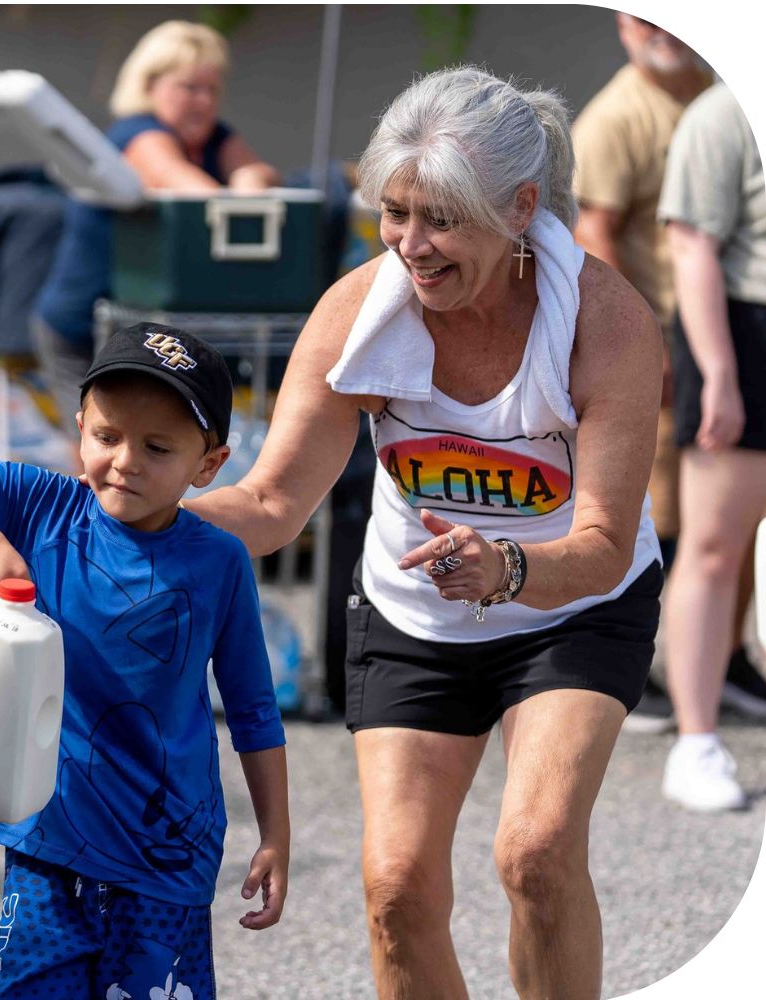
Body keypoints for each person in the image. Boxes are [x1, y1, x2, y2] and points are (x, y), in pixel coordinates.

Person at [184, 65, 664, 998]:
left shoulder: (602, 321)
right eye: (394, 213)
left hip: (574, 606)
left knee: (536, 851)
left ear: (521, 208)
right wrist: (124, 518)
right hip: (414, 613)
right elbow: (272, 504)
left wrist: (505, 565)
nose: (411, 245)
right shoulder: (358, 314)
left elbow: (605, 543)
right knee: (396, 890)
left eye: (441, 218)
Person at [0, 324, 289, 998]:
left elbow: (254, 711)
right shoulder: (43, 507)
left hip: (166, 856)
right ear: (81, 429)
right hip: (46, 839)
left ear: (209, 464)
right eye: (107, 436)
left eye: (157, 448)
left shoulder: (219, 561)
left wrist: (275, 836)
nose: (125, 462)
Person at [32, 20, 280, 442]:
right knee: (101, 449)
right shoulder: (139, 134)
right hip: (85, 326)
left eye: (212, 89)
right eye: (189, 88)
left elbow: (258, 174)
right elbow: (196, 193)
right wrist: (244, 193)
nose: (203, 101)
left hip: (140, 329)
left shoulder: (214, 137)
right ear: (149, 85)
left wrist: (249, 179)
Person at [571, 12, 714, 733]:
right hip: (659, 346)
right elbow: (593, 233)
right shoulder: (616, 116)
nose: (660, 25)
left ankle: (717, 661)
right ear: (621, 25)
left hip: (713, 339)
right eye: (640, 13)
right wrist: (638, 346)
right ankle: (635, 670)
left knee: (710, 516)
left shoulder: (714, 91)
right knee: (646, 516)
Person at [657, 82, 766, 812]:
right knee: (715, 547)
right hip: (743, 331)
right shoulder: (723, 113)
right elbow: (690, 241)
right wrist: (721, 373)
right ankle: (695, 743)